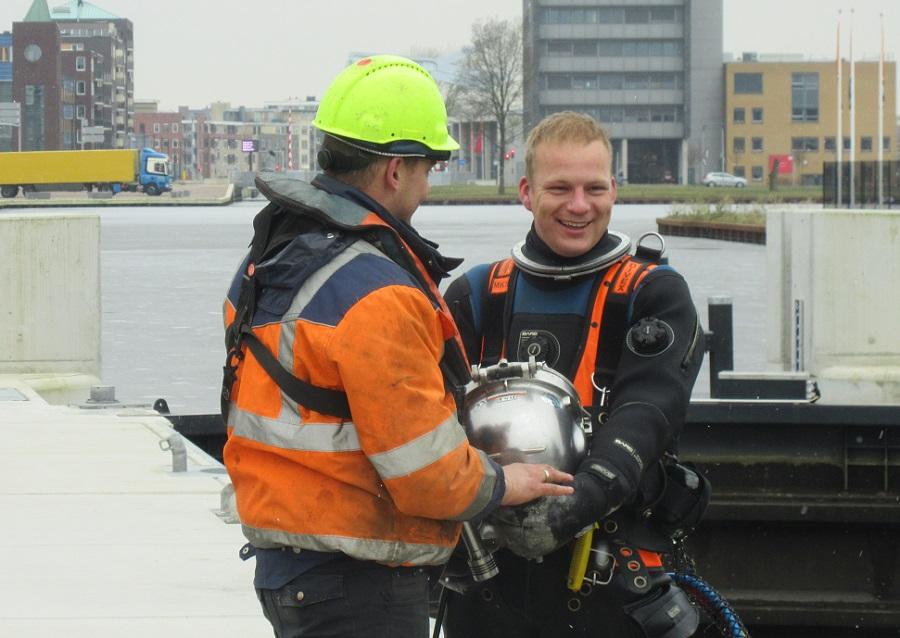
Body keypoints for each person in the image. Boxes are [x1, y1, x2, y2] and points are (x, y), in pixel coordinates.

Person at [219, 55, 574, 638]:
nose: (427, 185)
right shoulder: (379, 294)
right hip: (358, 582)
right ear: (394, 170)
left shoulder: (270, 260)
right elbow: (425, 472)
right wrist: (506, 482)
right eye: (427, 168)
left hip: (287, 564)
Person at [441, 111, 707, 638]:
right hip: (488, 575)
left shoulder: (653, 292)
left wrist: (580, 500)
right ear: (526, 191)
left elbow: (650, 408)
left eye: (594, 188)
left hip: (613, 572)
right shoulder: (476, 294)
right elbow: (429, 416)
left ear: (615, 189)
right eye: (559, 188)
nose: (579, 206)